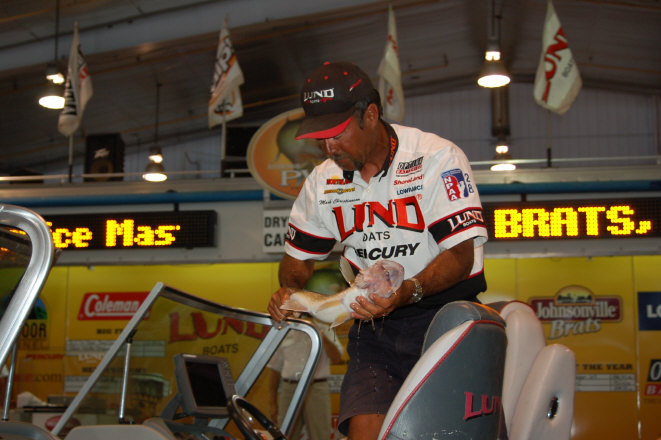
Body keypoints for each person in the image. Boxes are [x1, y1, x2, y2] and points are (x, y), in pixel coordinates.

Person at [268, 61, 488, 440]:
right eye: (320, 138)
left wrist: (407, 292)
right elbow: (297, 262)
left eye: (336, 133)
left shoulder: (436, 158)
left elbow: (460, 255)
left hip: (446, 317)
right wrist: (291, 293)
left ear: (370, 115)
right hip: (373, 327)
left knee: (448, 432)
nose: (328, 147)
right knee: (365, 429)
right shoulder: (322, 181)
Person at [267, 318, 343, 440]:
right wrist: (272, 403)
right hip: (289, 389)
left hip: (316, 389)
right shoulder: (285, 330)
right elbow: (275, 370)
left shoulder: (325, 329)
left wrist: (319, 334)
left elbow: (337, 358)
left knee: (320, 435)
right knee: (286, 435)